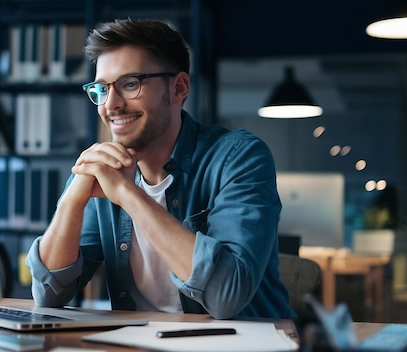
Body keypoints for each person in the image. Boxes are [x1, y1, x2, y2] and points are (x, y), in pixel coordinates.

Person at [26, 18, 295, 319]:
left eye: (129, 84)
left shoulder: (238, 157)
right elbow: (49, 294)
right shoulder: (104, 169)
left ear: (178, 87)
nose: (110, 105)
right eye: (101, 89)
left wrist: (129, 195)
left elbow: (225, 295)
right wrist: (73, 200)